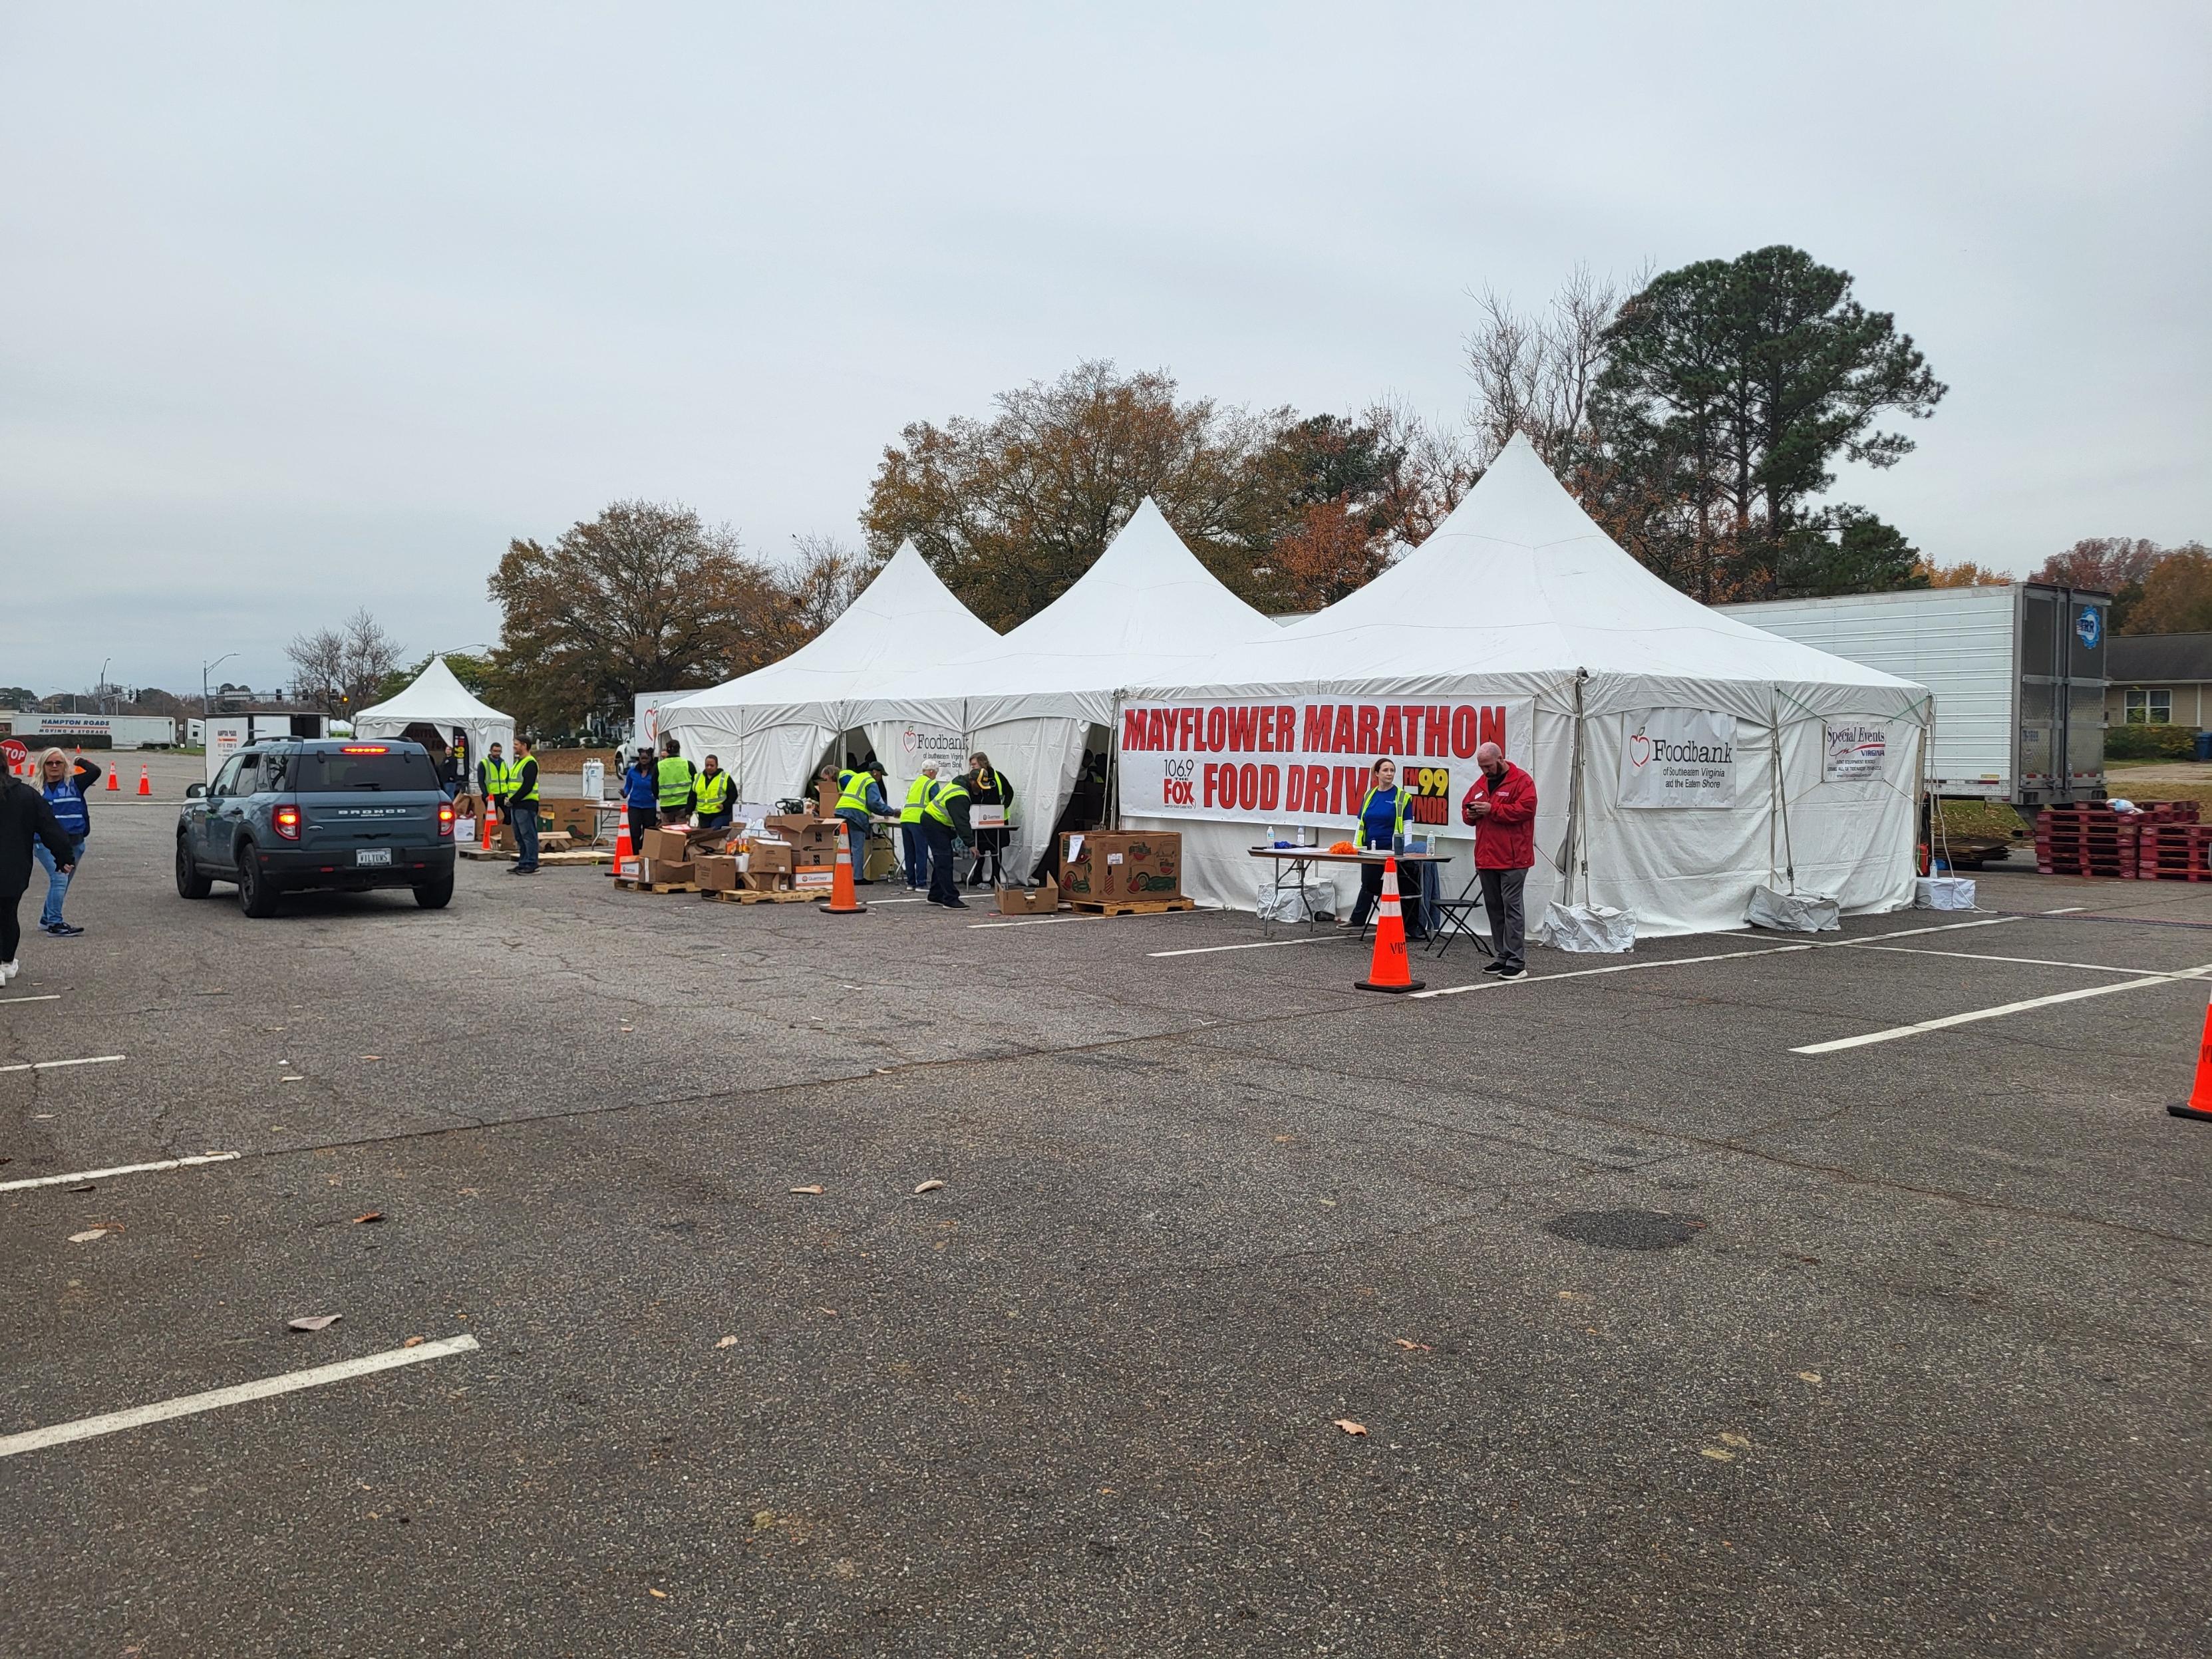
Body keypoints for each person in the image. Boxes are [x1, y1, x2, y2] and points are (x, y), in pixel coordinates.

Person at [1461, 740, 1537, 979]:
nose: (1485, 771)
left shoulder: (1522, 781)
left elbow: (1527, 810)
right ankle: (1502, 955)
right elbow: (1466, 811)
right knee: (1495, 909)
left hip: (1514, 858)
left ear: (1500, 759)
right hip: (1487, 857)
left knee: (1511, 907)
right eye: (1482, 767)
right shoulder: (1481, 784)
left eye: (1488, 766)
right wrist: (1471, 813)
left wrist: (1492, 809)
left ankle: (1517, 961)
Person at [1, 767, 75, 985]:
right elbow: (50, 828)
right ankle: (6, 962)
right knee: (8, 914)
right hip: (13, 867)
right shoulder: (27, 796)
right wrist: (64, 857)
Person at [1341, 758, 1426, 941]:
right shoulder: (1369, 795)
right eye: (1386, 770)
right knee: (1369, 884)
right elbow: (1361, 823)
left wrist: (1406, 851)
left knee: (1404, 885)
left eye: (1392, 770)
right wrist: (1356, 847)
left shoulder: (1402, 797)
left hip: (1393, 849)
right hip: (1371, 849)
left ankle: (1410, 926)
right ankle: (1358, 920)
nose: (1389, 774)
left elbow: (1407, 825)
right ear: (1377, 774)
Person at [33, 748, 98, 937]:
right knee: (59, 879)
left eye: (58, 763)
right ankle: (55, 924)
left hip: (75, 843)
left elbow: (95, 772)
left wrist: (78, 760)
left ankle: (46, 919)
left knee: (62, 882)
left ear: (65, 765)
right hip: (46, 844)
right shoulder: (35, 789)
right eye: (50, 763)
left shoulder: (75, 783)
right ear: (42, 766)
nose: (54, 767)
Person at [920, 768, 973, 908]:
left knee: (944, 858)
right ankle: (950, 898)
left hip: (934, 821)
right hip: (934, 822)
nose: (981, 790)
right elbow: (962, 822)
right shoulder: (960, 795)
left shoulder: (958, 787)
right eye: (980, 787)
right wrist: (971, 844)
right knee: (944, 859)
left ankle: (935, 895)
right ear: (972, 782)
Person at [832, 761, 892, 883]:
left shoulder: (858, 777)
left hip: (840, 810)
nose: (880, 779)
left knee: (844, 846)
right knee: (857, 846)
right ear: (875, 773)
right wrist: (891, 812)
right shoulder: (871, 782)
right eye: (881, 775)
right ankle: (858, 878)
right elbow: (874, 804)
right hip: (855, 814)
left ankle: (842, 875)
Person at [965, 752, 1015, 887]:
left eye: (974, 764)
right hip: (980, 820)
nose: (972, 767)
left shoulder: (997, 776)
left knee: (996, 849)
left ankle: (995, 877)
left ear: (983, 763)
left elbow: (1009, 792)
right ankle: (977, 876)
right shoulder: (973, 779)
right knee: (979, 847)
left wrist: (1003, 807)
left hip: (997, 820)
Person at [898, 762, 940, 889]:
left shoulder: (915, 783)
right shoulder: (932, 784)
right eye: (936, 773)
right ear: (932, 772)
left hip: (905, 819)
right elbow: (936, 803)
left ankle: (911, 883)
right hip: (919, 820)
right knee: (921, 852)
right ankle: (921, 883)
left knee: (909, 852)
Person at [505, 736, 542, 875]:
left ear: (524, 745)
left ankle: (532, 863)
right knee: (520, 836)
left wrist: (513, 800)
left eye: (516, 744)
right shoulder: (519, 762)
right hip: (517, 805)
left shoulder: (530, 763)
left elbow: (527, 785)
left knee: (528, 835)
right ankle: (523, 862)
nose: (514, 746)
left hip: (526, 805)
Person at [622, 747, 660, 854]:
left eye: (646, 758)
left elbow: (659, 786)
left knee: (648, 832)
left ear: (650, 758)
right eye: (642, 758)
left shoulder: (655, 772)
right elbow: (628, 787)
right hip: (635, 806)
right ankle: (635, 853)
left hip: (650, 806)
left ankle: (645, 852)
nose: (644, 760)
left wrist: (656, 794)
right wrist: (625, 793)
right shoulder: (632, 772)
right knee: (635, 832)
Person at [655, 738, 697, 825]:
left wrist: (661, 798)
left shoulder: (659, 766)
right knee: (681, 834)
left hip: (666, 807)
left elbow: (654, 787)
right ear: (679, 750)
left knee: (668, 834)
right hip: (683, 806)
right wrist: (691, 807)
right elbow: (695, 787)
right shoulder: (688, 764)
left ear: (667, 750)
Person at [695, 754, 734, 830]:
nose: (709, 767)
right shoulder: (698, 777)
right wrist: (688, 811)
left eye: (712, 765)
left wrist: (725, 805)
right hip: (703, 815)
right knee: (705, 837)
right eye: (707, 765)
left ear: (717, 765)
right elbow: (692, 795)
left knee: (714, 833)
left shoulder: (724, 777)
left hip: (720, 814)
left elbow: (733, 795)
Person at [476, 740, 506, 811]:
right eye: (495, 751)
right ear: (491, 751)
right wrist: (486, 795)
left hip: (504, 794)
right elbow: (481, 781)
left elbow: (506, 779)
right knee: (492, 816)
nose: (497, 753)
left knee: (508, 816)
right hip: (491, 794)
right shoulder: (484, 763)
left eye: (499, 751)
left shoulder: (503, 763)